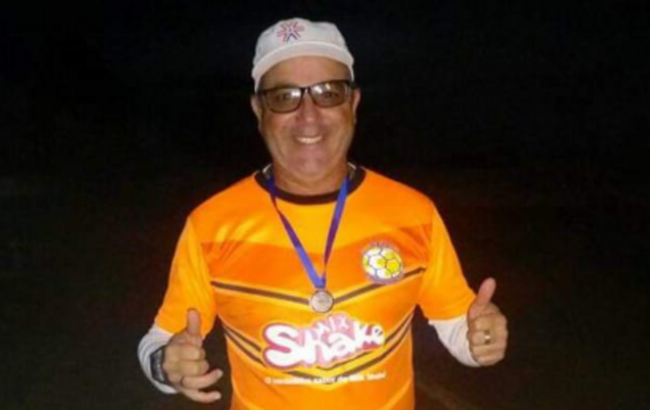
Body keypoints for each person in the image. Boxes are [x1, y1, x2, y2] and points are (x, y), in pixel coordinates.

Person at [138, 17, 508, 410]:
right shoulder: (211, 225)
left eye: (328, 93)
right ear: (259, 111)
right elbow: (160, 340)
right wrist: (166, 364)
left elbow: (456, 324)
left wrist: (478, 339)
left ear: (353, 104)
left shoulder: (414, 213)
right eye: (285, 97)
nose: (308, 115)